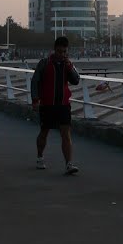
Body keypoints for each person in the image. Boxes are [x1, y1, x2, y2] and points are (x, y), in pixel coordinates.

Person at [31, 36, 81, 175]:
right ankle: (40, 157)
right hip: (47, 105)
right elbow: (35, 81)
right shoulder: (44, 63)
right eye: (59, 51)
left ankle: (68, 164)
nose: (62, 55)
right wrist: (35, 100)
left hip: (63, 105)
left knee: (66, 134)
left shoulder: (68, 65)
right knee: (44, 132)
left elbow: (76, 80)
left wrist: (70, 66)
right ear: (54, 50)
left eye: (64, 52)